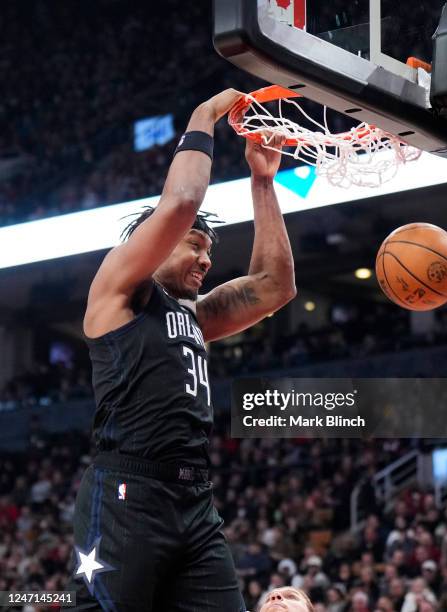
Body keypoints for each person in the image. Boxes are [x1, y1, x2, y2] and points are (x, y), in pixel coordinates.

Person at [63, 87, 296, 612]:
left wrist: (263, 181)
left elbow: (274, 287)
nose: (207, 259)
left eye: (209, 250)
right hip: (127, 493)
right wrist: (204, 115)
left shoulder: (193, 313)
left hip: (194, 500)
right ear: (160, 240)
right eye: (196, 243)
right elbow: (183, 201)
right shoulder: (119, 291)